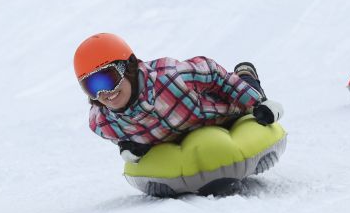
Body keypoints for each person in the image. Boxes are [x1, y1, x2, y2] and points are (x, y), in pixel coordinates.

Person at [73, 33, 284, 163]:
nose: (103, 94)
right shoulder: (102, 122)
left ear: (129, 67)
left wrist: (256, 102)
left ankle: (246, 73)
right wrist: (126, 145)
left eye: (107, 80)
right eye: (91, 87)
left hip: (221, 114)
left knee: (245, 91)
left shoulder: (171, 76)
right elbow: (121, 135)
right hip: (177, 137)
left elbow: (213, 74)